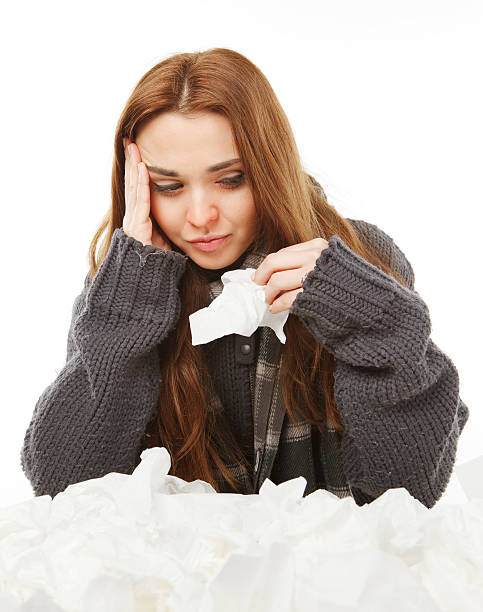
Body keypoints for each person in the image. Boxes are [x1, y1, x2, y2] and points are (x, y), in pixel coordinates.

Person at [20, 48, 469, 509]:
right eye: (169, 186)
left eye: (230, 180)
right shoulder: (125, 290)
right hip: (189, 576)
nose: (200, 216)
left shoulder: (361, 259)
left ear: (268, 166)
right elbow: (62, 491)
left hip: (332, 574)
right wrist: (130, 306)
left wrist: (371, 320)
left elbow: (409, 494)